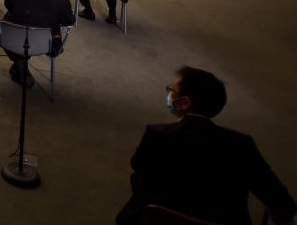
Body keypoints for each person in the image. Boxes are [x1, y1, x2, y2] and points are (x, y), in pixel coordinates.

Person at [116, 67, 295, 225]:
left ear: (184, 103)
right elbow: (282, 203)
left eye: (172, 90)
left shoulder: (158, 134)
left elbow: (139, 167)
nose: (169, 95)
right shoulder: (241, 145)